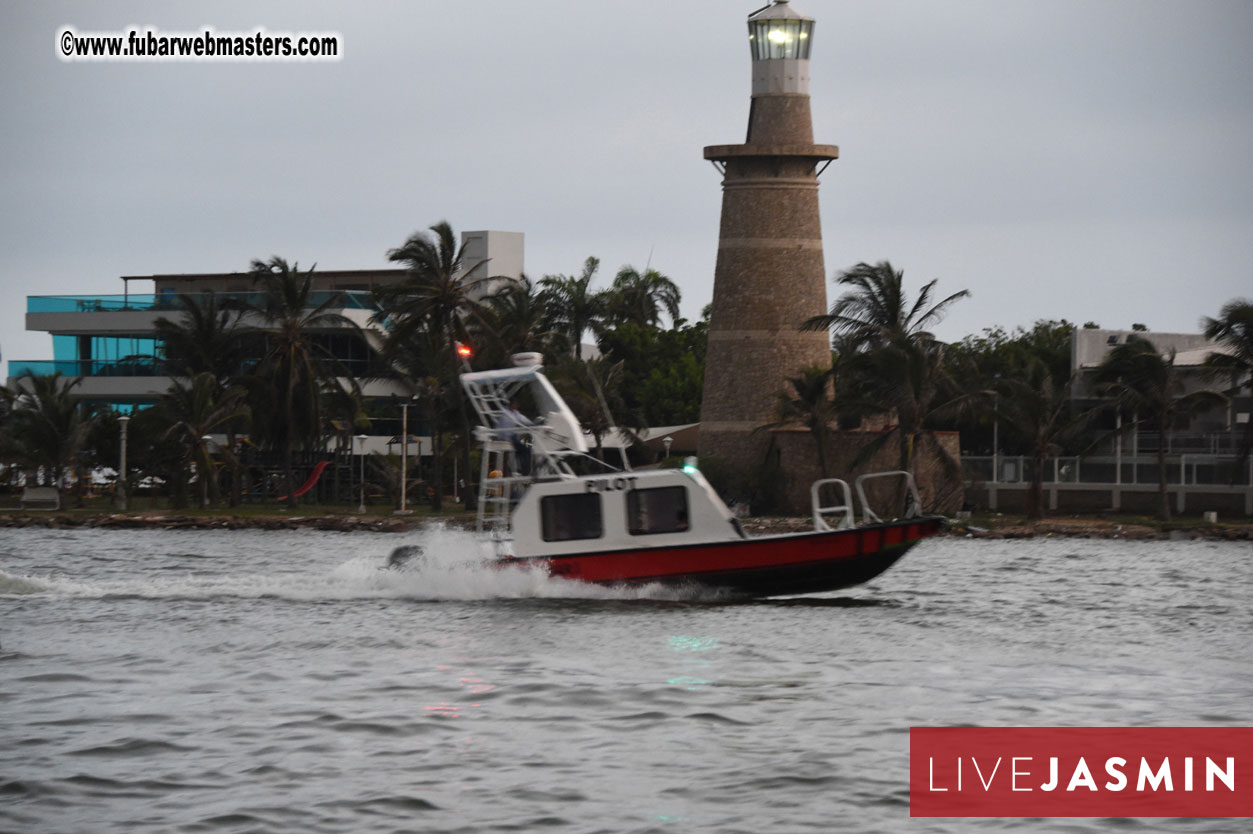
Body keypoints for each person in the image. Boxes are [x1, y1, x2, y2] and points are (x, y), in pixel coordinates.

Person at [496, 399, 534, 475]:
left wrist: (533, 424)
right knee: (526, 449)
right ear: (512, 404)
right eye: (516, 404)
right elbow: (505, 427)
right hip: (506, 436)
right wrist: (508, 439)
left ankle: (520, 469)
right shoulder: (505, 413)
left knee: (522, 450)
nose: (517, 406)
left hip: (511, 436)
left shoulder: (515, 412)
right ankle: (525, 472)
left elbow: (523, 419)